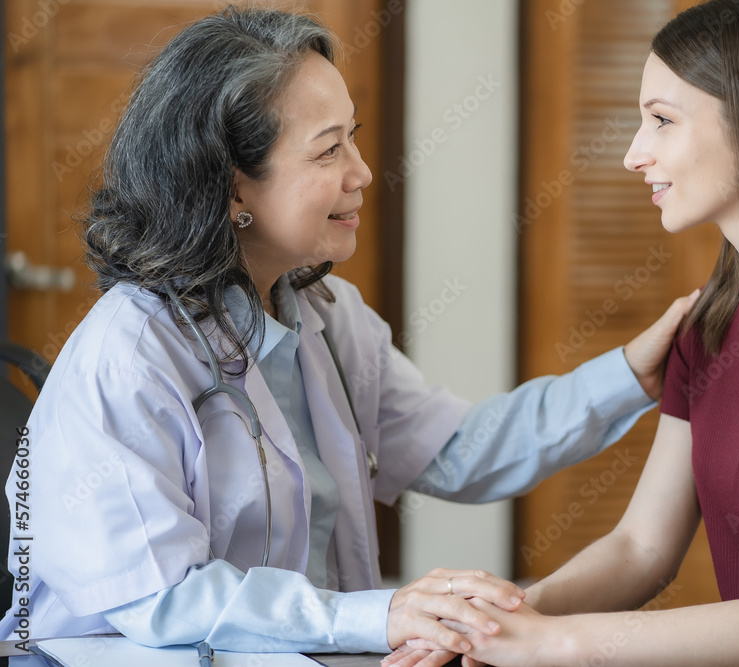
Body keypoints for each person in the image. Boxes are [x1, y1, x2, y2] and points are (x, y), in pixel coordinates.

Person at [0, 5, 698, 657]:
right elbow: (160, 598)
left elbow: (458, 450)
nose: (363, 173)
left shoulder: (325, 314)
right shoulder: (129, 356)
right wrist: (377, 614)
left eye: (353, 141)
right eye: (329, 151)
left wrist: (630, 375)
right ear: (234, 185)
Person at [384, 1, 739, 666]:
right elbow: (641, 548)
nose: (634, 154)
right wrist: (496, 621)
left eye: (661, 120)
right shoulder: (711, 322)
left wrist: (551, 642)